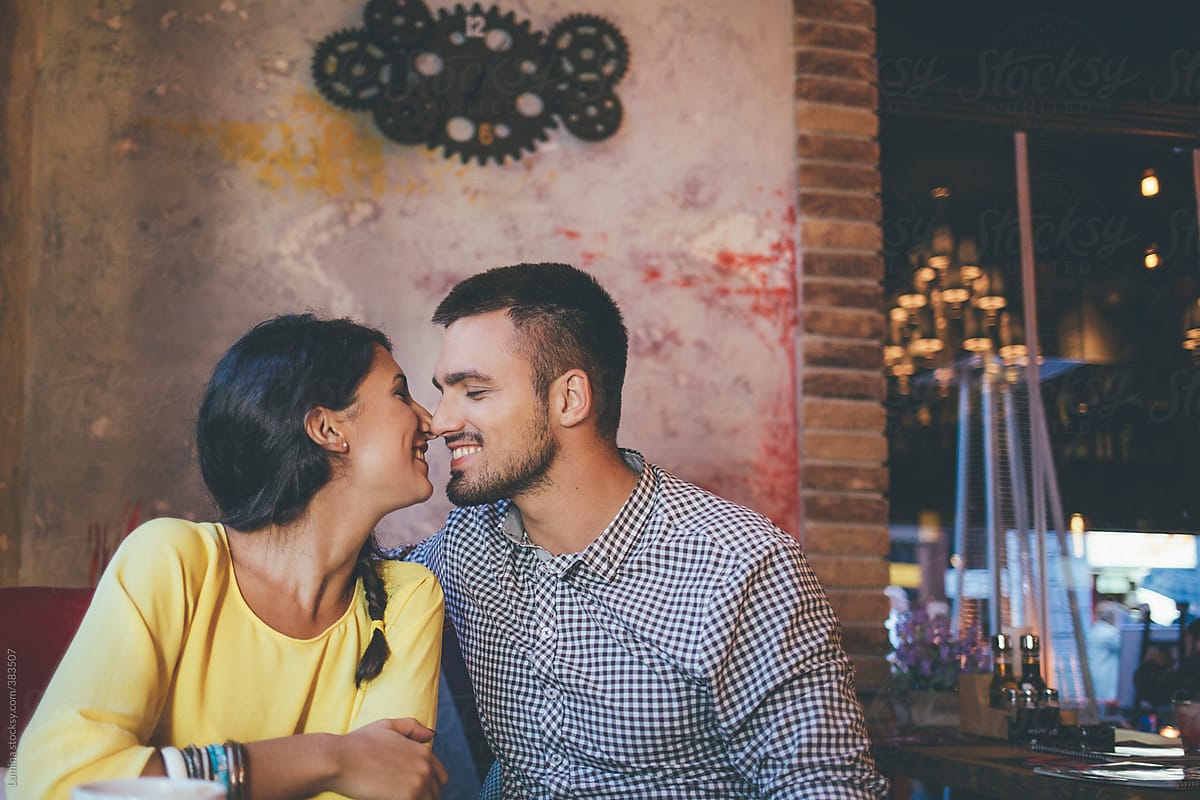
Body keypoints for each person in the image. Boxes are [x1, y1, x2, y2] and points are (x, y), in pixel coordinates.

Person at [401, 263, 888, 797]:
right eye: (442, 392)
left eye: (473, 391)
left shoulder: (741, 565)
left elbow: (824, 785)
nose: (440, 421)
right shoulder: (470, 542)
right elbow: (340, 584)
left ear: (569, 399)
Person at [12, 314, 448, 800]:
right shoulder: (174, 558)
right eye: (400, 393)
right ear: (326, 427)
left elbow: (389, 786)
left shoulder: (408, 598)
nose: (431, 422)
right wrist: (332, 757)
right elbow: (56, 780)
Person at [1086, 602, 1123, 703]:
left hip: (1095, 672)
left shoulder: (1094, 630)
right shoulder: (1110, 633)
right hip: (1106, 675)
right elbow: (1125, 646)